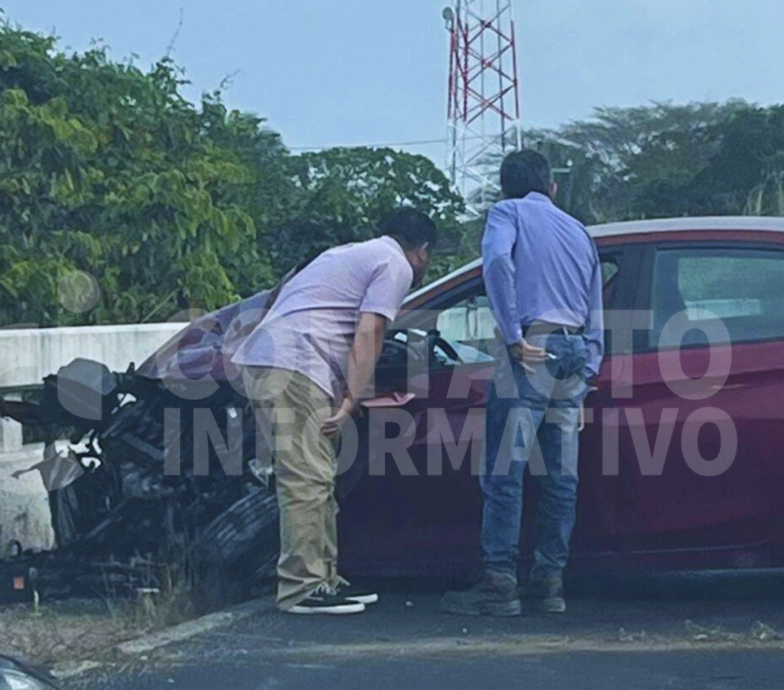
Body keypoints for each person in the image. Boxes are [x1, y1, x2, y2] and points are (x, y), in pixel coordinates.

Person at [233, 209, 436, 615]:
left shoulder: (349, 254)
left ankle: (322, 579)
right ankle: (301, 588)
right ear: (423, 251)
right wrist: (351, 400)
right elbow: (370, 332)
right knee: (307, 477)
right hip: (293, 364)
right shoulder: (395, 264)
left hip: (281, 361)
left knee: (318, 475)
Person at [441, 150, 603, 617]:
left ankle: (498, 582)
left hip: (531, 347)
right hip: (573, 353)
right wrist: (589, 369)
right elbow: (594, 304)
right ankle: (549, 583)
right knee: (561, 478)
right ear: (551, 187)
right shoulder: (578, 230)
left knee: (504, 472)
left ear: (504, 187)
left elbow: (495, 262)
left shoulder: (505, 213)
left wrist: (512, 335)